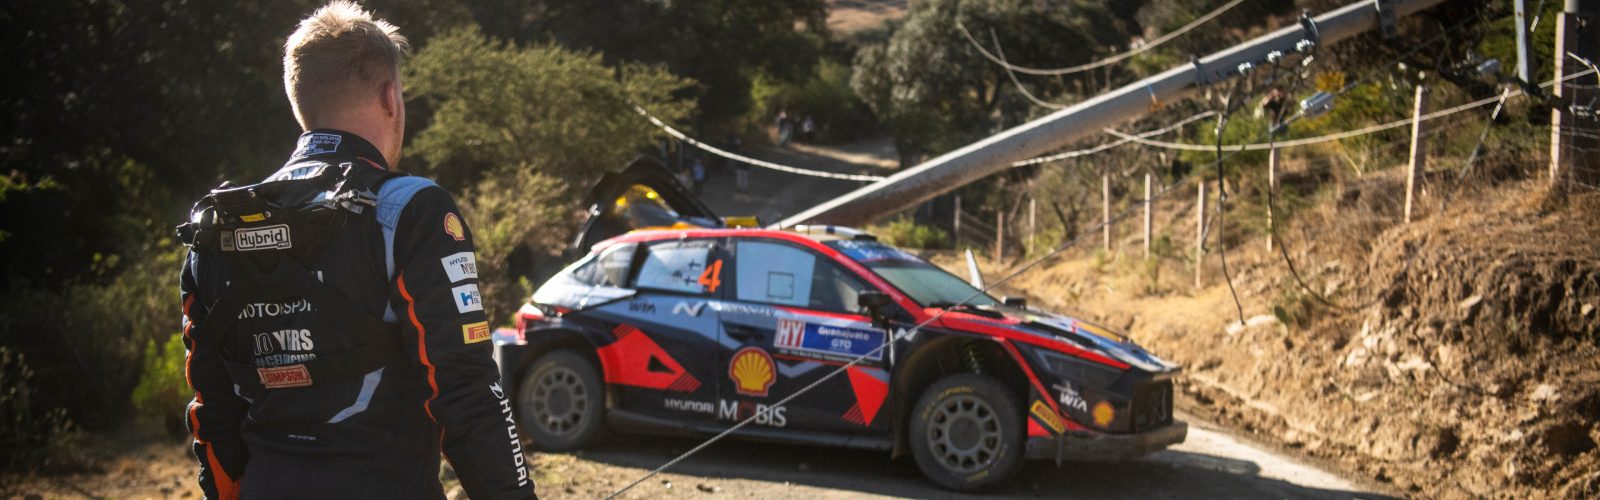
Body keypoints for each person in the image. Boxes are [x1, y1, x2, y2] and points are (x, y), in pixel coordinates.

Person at [175, 2, 537, 499]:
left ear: (299, 103)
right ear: (391, 97)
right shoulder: (411, 209)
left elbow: (212, 413)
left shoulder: (214, 229)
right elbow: (469, 392)